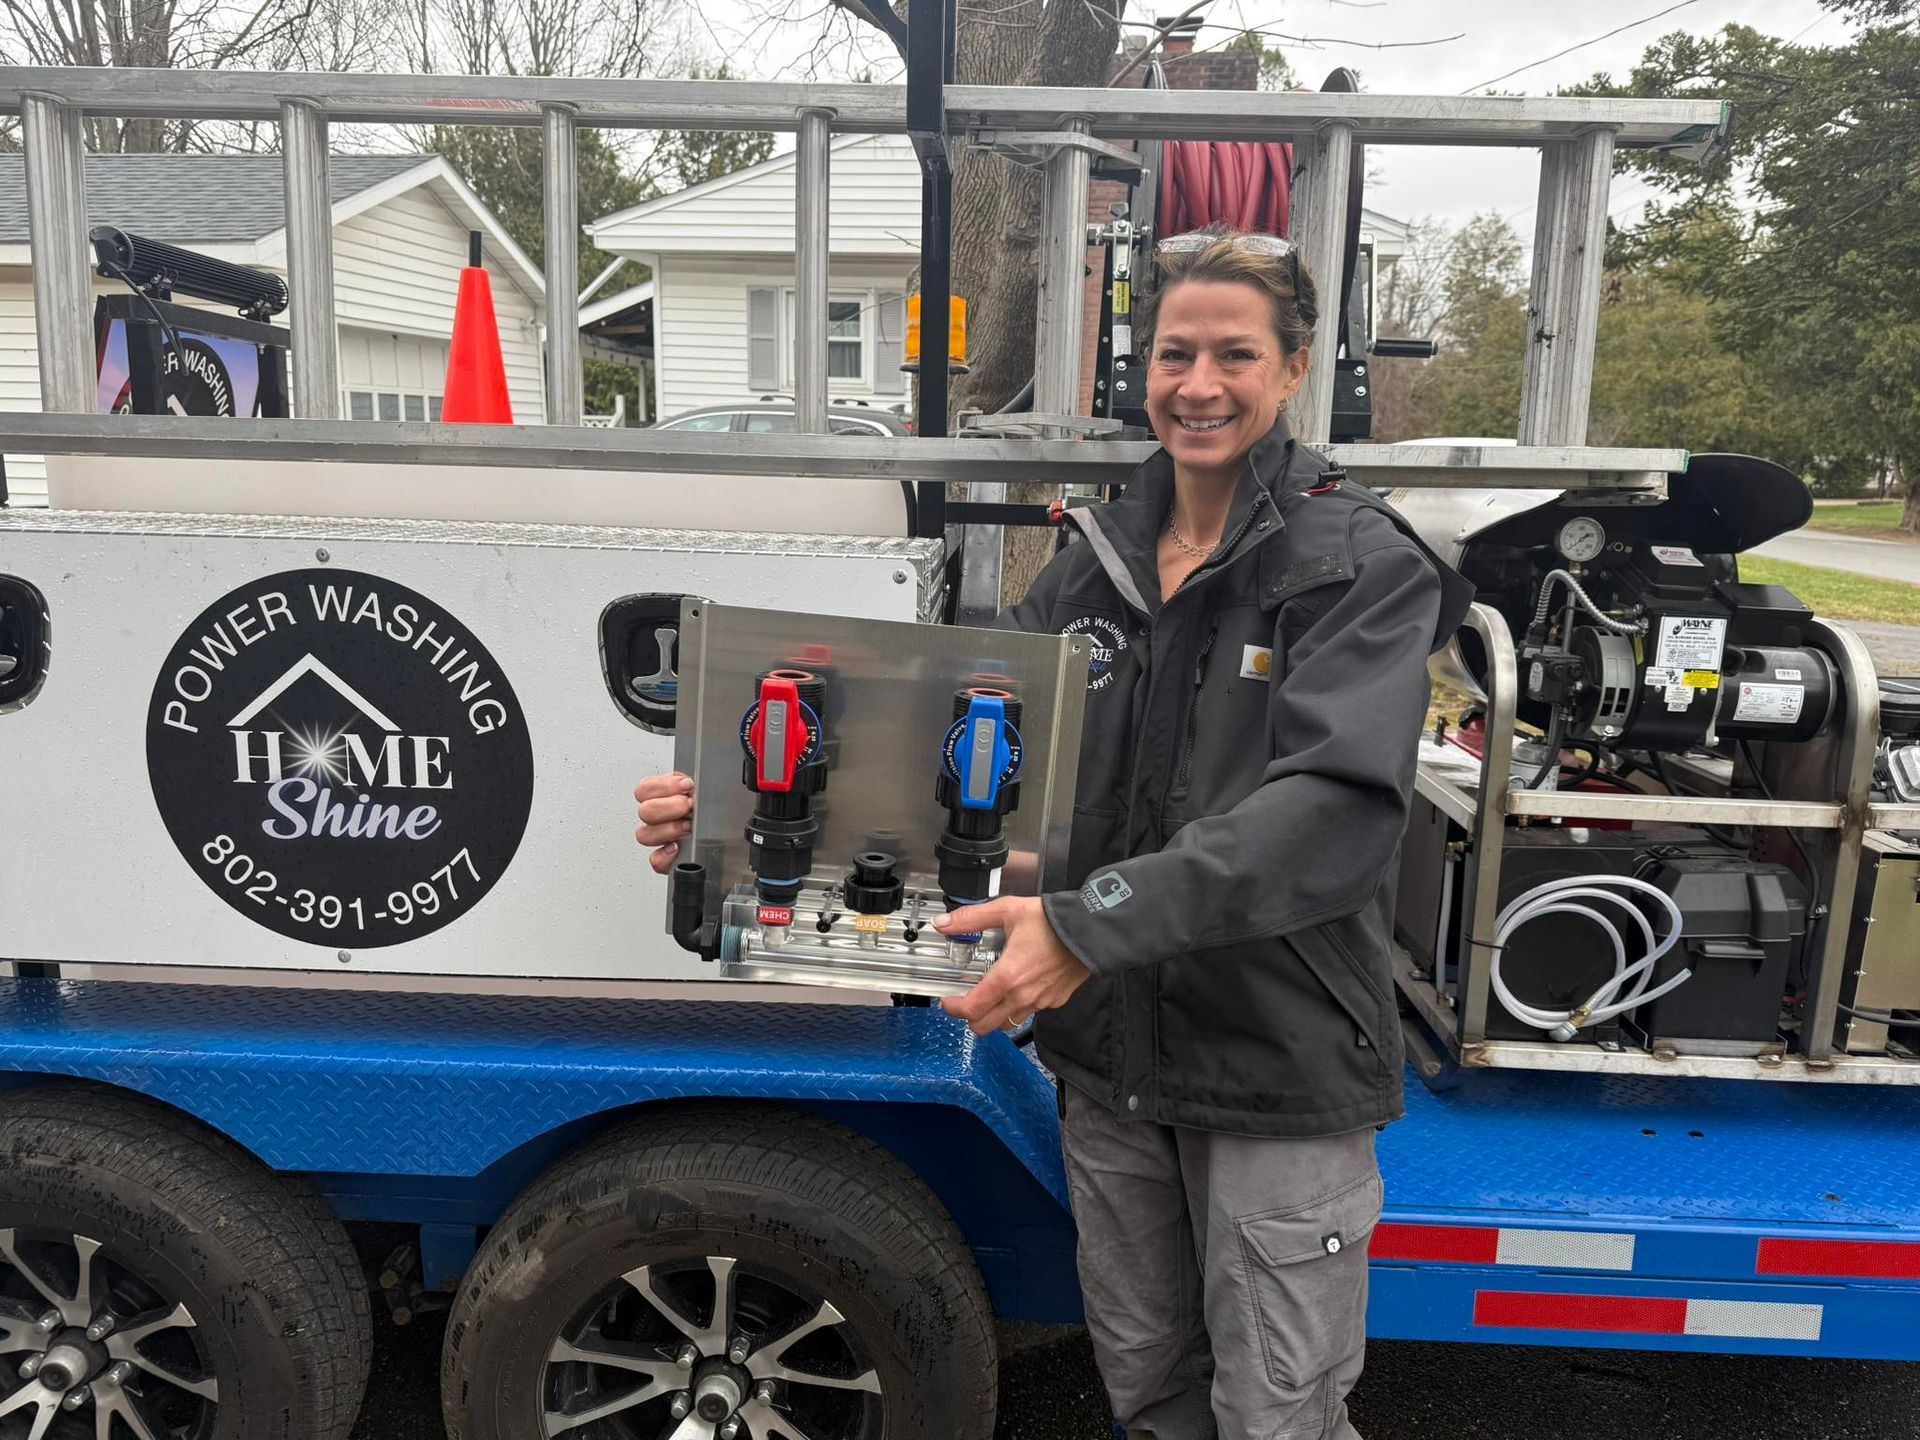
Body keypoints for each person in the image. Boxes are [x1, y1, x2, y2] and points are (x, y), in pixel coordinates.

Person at [634, 224, 1471, 1440]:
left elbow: (1333, 815)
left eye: (1235, 355)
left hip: (1277, 1065)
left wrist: (1089, 926)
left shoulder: (1355, 565)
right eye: (1175, 353)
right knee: (1148, 1385)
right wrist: (727, 803)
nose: (1199, 385)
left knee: (1276, 1413)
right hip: (1114, 1066)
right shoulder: (1096, 565)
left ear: (1292, 370)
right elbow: (956, 751)